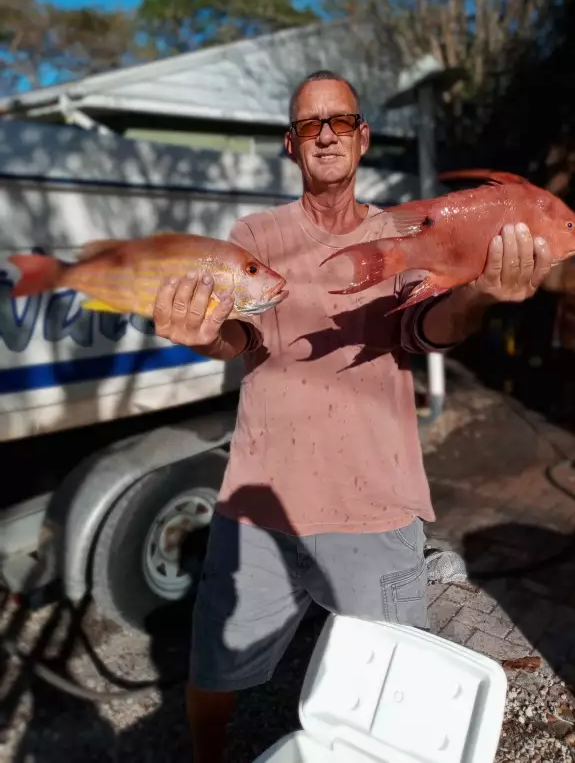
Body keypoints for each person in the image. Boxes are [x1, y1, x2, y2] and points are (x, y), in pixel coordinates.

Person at [151, 70, 552, 761]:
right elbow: (239, 337)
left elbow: (428, 324)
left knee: (393, 680)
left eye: (341, 121)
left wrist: (483, 294)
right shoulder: (256, 233)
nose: (327, 133)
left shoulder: (401, 230)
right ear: (292, 144)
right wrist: (202, 333)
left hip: (377, 498)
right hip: (262, 498)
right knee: (214, 667)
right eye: (311, 124)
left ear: (363, 136)